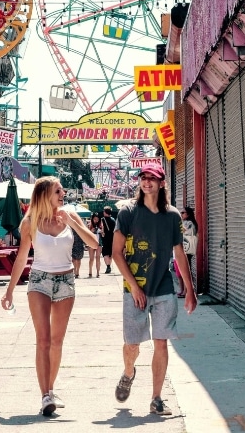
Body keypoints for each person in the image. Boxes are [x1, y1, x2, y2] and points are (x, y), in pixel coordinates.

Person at [1, 176, 99, 417]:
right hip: (39, 282)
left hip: (66, 281)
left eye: (62, 191)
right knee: (43, 339)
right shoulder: (30, 222)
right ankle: (45, 395)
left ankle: (51, 389)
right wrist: (10, 290)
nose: (63, 194)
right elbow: (22, 257)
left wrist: (72, 223)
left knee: (57, 341)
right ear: (45, 194)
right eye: (58, 191)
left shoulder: (70, 216)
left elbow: (94, 243)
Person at [112, 164, 197, 416]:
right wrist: (135, 287)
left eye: (152, 178)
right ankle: (129, 372)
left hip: (163, 288)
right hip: (134, 289)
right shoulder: (128, 212)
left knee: (161, 343)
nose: (147, 182)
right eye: (143, 177)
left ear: (162, 183)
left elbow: (179, 253)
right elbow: (117, 253)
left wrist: (190, 289)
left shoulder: (172, 216)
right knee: (133, 344)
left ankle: (156, 398)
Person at [174, 206, 198, 298]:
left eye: (183, 213)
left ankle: (186, 291)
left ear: (188, 214)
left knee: (185, 270)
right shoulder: (184, 222)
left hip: (186, 250)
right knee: (179, 270)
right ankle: (182, 290)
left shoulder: (189, 223)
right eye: (181, 212)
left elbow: (179, 231)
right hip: (181, 249)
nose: (181, 214)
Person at [101, 206, 116, 274]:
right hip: (113, 238)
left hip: (105, 238)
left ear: (105, 212)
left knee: (105, 253)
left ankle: (108, 266)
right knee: (110, 253)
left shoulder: (102, 220)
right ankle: (109, 265)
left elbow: (102, 229)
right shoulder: (113, 220)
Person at [87, 212, 103, 278]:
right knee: (91, 258)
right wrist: (91, 231)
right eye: (95, 219)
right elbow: (87, 234)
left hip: (99, 242)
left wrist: (101, 232)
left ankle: (98, 272)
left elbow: (103, 234)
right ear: (92, 219)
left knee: (98, 257)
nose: (96, 220)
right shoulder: (89, 225)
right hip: (91, 242)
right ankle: (90, 272)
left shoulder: (101, 225)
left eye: (97, 219)